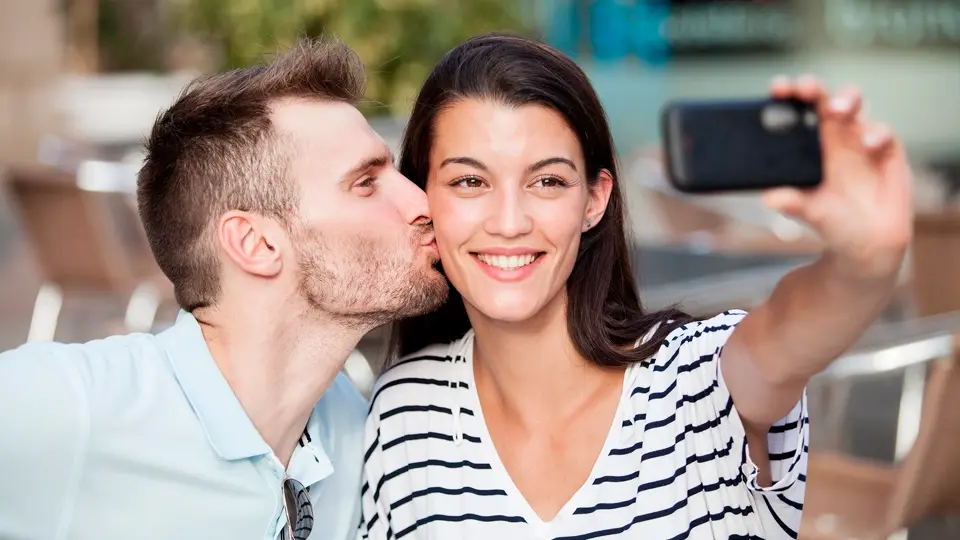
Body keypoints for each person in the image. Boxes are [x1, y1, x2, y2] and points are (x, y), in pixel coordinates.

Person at [358, 33, 912, 540]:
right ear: (423, 197)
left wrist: (867, 258)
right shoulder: (404, 412)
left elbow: (793, 332)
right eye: (469, 181)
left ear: (594, 200)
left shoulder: (696, 382)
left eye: (547, 181)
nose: (509, 221)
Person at [0, 38, 447, 540]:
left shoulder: (357, 428)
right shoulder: (71, 406)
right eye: (365, 183)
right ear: (255, 243)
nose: (423, 201)